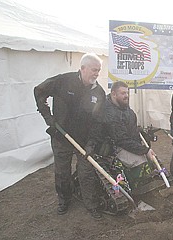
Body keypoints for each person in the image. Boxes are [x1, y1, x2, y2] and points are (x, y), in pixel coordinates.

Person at [34, 53, 106, 218]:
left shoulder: (99, 92)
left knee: (86, 171)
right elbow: (39, 91)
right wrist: (47, 116)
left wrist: (92, 143)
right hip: (61, 136)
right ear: (83, 68)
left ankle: (91, 203)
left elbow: (98, 122)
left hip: (83, 140)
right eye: (94, 70)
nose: (97, 74)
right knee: (62, 171)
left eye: (99, 70)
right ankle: (64, 200)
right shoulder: (62, 81)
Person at [86, 81, 156, 189]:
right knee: (141, 162)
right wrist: (144, 150)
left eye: (127, 93)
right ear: (114, 94)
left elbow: (130, 128)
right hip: (112, 147)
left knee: (150, 159)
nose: (126, 96)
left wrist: (142, 134)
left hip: (124, 142)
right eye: (123, 93)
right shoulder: (109, 113)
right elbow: (121, 139)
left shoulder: (123, 107)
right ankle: (132, 186)